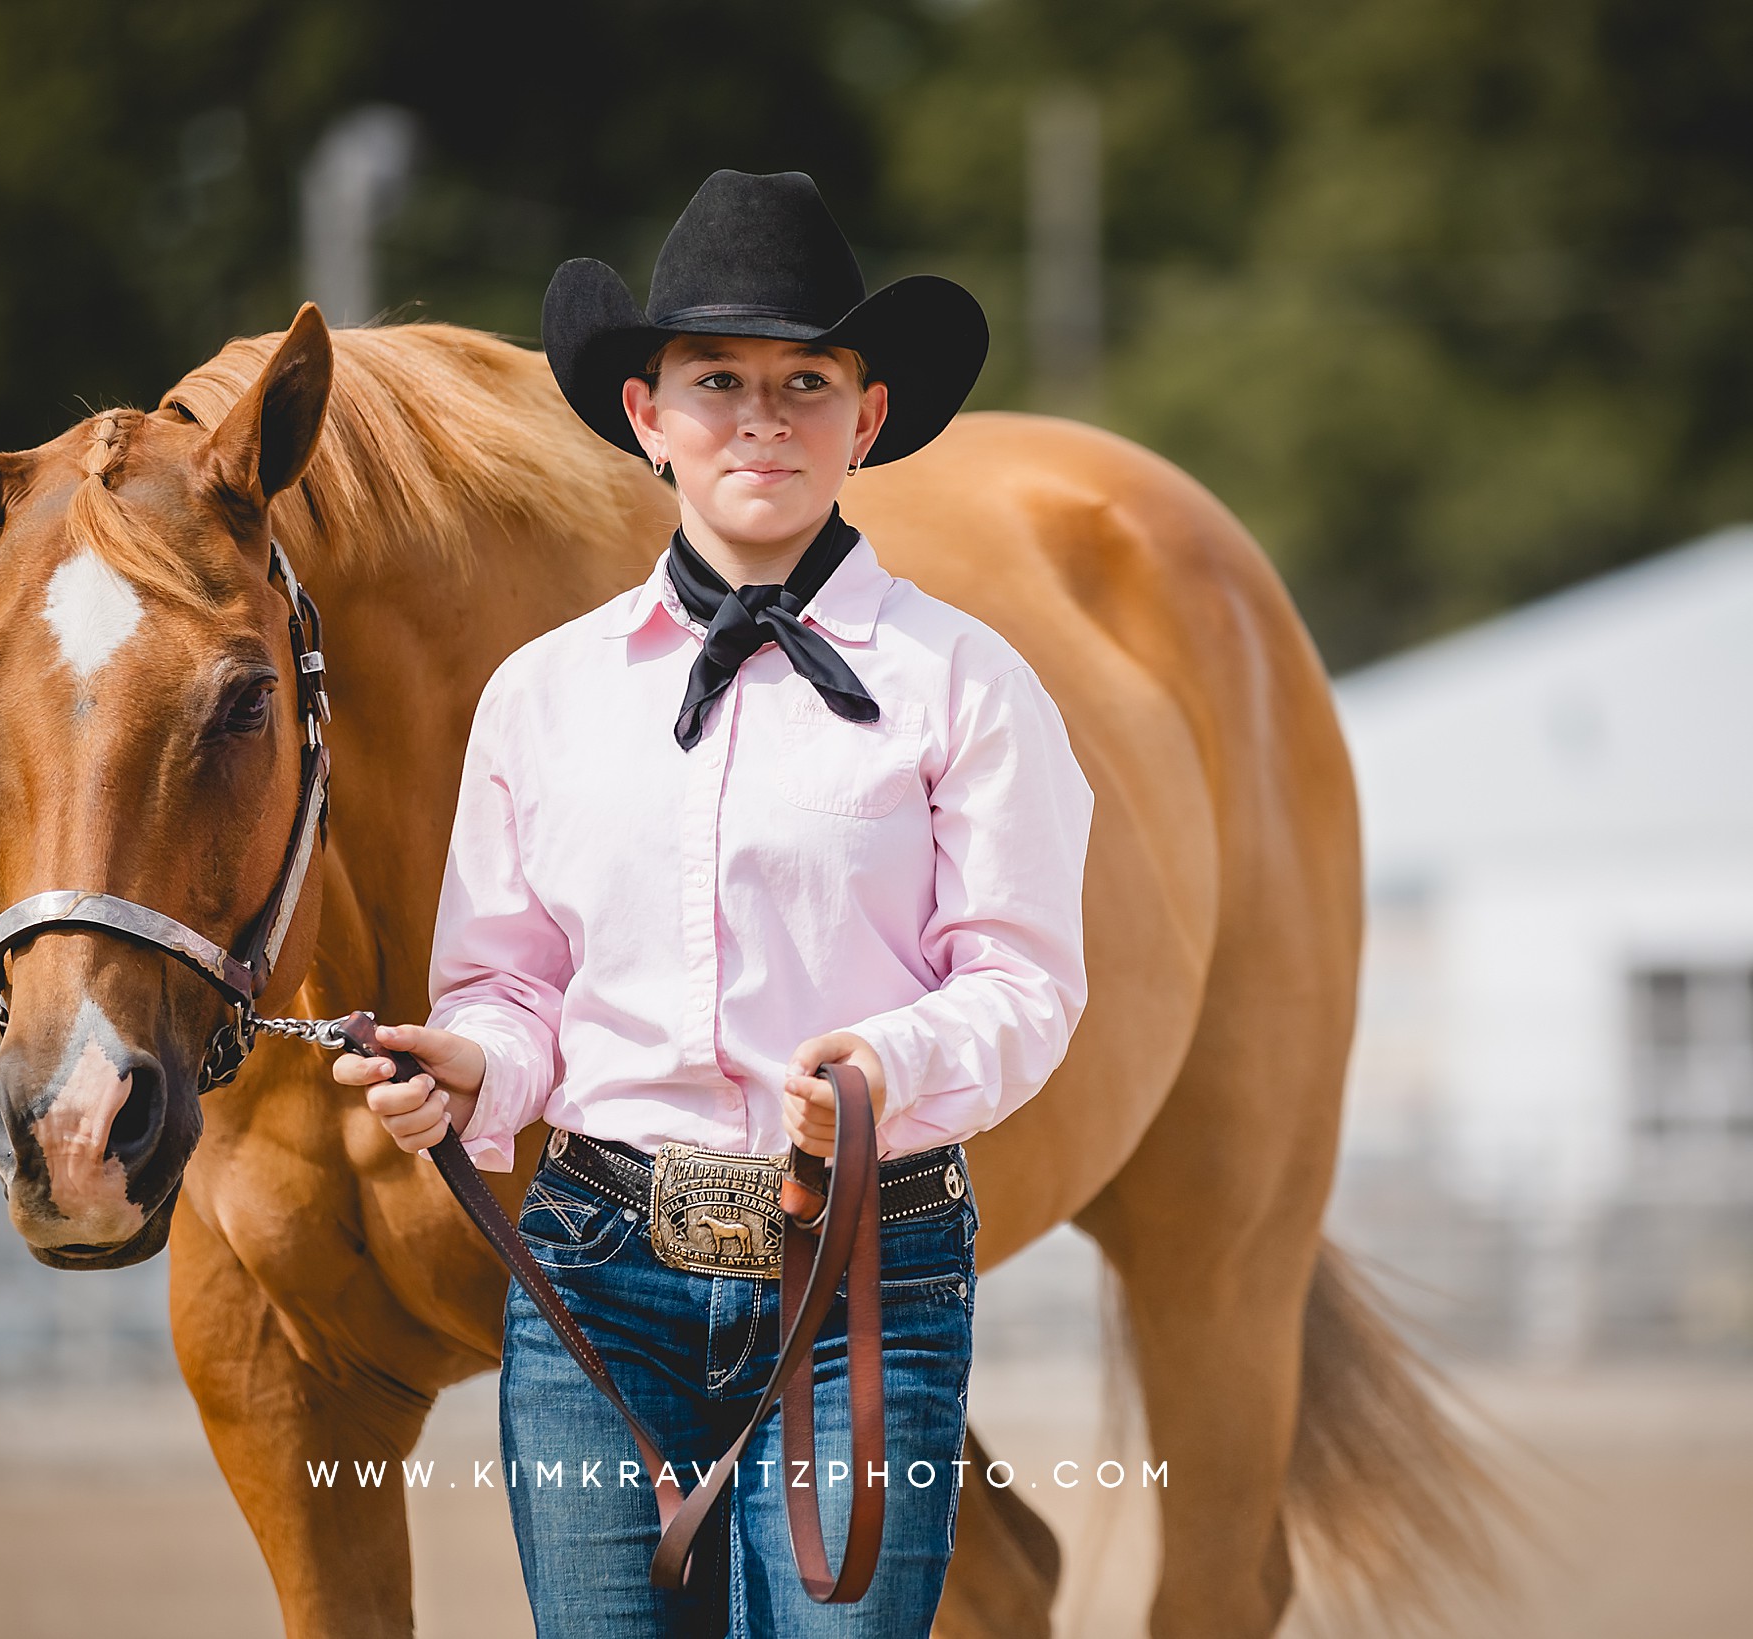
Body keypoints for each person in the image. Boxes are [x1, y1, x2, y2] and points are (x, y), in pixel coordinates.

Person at [332, 169, 1094, 1637]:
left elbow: (1025, 982)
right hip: (596, 1281)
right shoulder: (539, 700)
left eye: (806, 379)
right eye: (717, 379)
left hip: (859, 1273)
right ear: (648, 416)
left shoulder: (969, 686)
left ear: (866, 421)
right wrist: (473, 1063)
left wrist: (889, 1062)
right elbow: (511, 985)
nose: (762, 416)